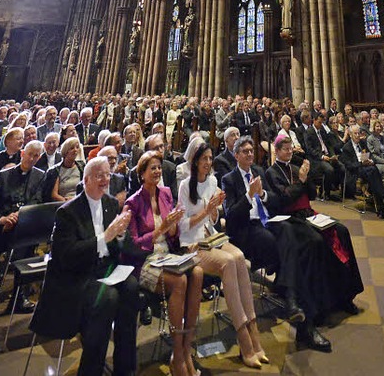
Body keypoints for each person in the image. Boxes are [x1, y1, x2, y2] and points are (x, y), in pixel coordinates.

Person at [31, 157, 138, 376]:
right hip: (78, 275)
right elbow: (66, 256)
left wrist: (119, 236)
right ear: (86, 179)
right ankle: (91, 369)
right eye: (100, 175)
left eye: (108, 174)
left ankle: (125, 368)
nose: (105, 180)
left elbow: (117, 247)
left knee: (131, 287)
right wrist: (105, 237)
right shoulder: (68, 212)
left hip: (105, 268)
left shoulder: (109, 203)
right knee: (108, 298)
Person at [266, 134, 363, 349]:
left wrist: (307, 178)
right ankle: (320, 306)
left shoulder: (297, 166)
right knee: (317, 242)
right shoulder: (271, 172)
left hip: (308, 213)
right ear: (277, 151)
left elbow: (311, 194)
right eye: (285, 149)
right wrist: (300, 180)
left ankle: (346, 294)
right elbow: (283, 200)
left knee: (342, 231)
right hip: (291, 219)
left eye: (291, 148)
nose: (289, 152)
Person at [179, 143, 266, 369]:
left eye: (210, 158)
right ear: (195, 161)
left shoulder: (213, 181)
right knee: (228, 262)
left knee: (238, 257)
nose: (208, 163)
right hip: (193, 243)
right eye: (204, 159)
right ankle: (244, 339)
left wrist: (215, 211)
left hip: (211, 237)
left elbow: (214, 220)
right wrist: (206, 212)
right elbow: (183, 226)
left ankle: (253, 330)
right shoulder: (184, 186)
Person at [127, 151, 202, 376]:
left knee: (197, 272)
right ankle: (177, 357)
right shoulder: (133, 203)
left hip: (167, 254)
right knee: (179, 282)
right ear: (142, 173)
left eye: (159, 167)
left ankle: (186, 349)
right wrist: (160, 229)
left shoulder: (166, 193)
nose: (158, 171)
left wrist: (173, 226)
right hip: (146, 261)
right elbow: (134, 245)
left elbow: (173, 234)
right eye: (152, 168)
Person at [221, 136, 306, 326]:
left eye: (252, 150)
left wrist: (263, 194)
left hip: (267, 219)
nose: (250, 154)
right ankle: (291, 298)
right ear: (236, 155)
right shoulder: (229, 179)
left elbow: (275, 201)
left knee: (289, 231)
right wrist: (249, 195)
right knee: (274, 242)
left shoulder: (259, 171)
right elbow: (231, 215)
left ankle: (286, 289)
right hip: (247, 226)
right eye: (245, 151)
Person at [0, 140, 46, 307]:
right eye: (30, 154)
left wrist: (19, 216)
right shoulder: (4, 175)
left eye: (37, 156)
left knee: (23, 239)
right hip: (2, 227)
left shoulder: (40, 176)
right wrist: (3, 219)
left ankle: (2, 274)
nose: (33, 159)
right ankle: (18, 295)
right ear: (22, 154)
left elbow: (36, 202)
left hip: (25, 224)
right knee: (21, 242)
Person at [340, 124, 384, 219]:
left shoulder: (363, 143)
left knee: (373, 170)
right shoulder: (346, 148)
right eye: (355, 133)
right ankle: (383, 201)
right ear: (350, 135)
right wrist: (361, 163)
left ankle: (381, 207)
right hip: (356, 171)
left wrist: (371, 161)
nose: (357, 135)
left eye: (358, 133)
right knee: (373, 171)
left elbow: (370, 155)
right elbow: (349, 166)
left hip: (367, 168)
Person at [304, 109, 345, 196]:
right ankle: (326, 193)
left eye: (322, 122)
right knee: (329, 170)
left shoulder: (322, 130)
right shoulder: (309, 132)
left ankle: (343, 192)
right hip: (316, 159)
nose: (320, 124)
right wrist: (322, 156)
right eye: (319, 122)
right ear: (314, 120)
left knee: (341, 167)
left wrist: (332, 154)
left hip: (327, 155)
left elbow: (329, 145)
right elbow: (310, 149)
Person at [128, 132, 178, 202]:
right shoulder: (135, 172)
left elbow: (174, 198)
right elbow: (134, 201)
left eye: (161, 146)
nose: (160, 151)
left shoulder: (170, 168)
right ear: (147, 152)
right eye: (156, 148)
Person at [45, 136, 85, 202]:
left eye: (77, 147)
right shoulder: (55, 171)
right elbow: (54, 195)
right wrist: (67, 201)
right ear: (65, 151)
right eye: (72, 148)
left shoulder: (82, 166)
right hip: (62, 203)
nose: (75, 150)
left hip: (80, 201)